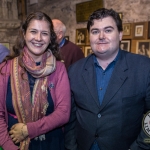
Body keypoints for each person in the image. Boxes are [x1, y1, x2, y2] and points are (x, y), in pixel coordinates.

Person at [64, 8, 150, 150]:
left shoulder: (144, 68)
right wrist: (71, 147)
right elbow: (71, 117)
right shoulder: (74, 70)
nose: (101, 36)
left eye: (108, 30)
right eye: (95, 31)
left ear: (120, 34)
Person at [0, 11, 71, 150]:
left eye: (44, 33)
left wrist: (28, 130)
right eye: (33, 31)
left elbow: (63, 113)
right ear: (24, 34)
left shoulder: (59, 68)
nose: (38, 38)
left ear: (50, 38)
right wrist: (9, 147)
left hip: (52, 144)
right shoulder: (5, 69)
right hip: (14, 144)